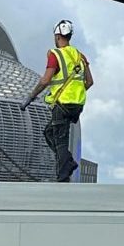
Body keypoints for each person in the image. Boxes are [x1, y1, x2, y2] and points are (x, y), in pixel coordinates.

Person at [21, 20, 93, 182]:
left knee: (60, 140)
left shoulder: (55, 54)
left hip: (62, 104)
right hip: (77, 105)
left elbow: (45, 80)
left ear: (57, 35)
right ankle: (67, 162)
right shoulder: (80, 56)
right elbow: (89, 82)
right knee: (49, 132)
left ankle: (63, 175)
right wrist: (75, 94)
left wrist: (31, 97)